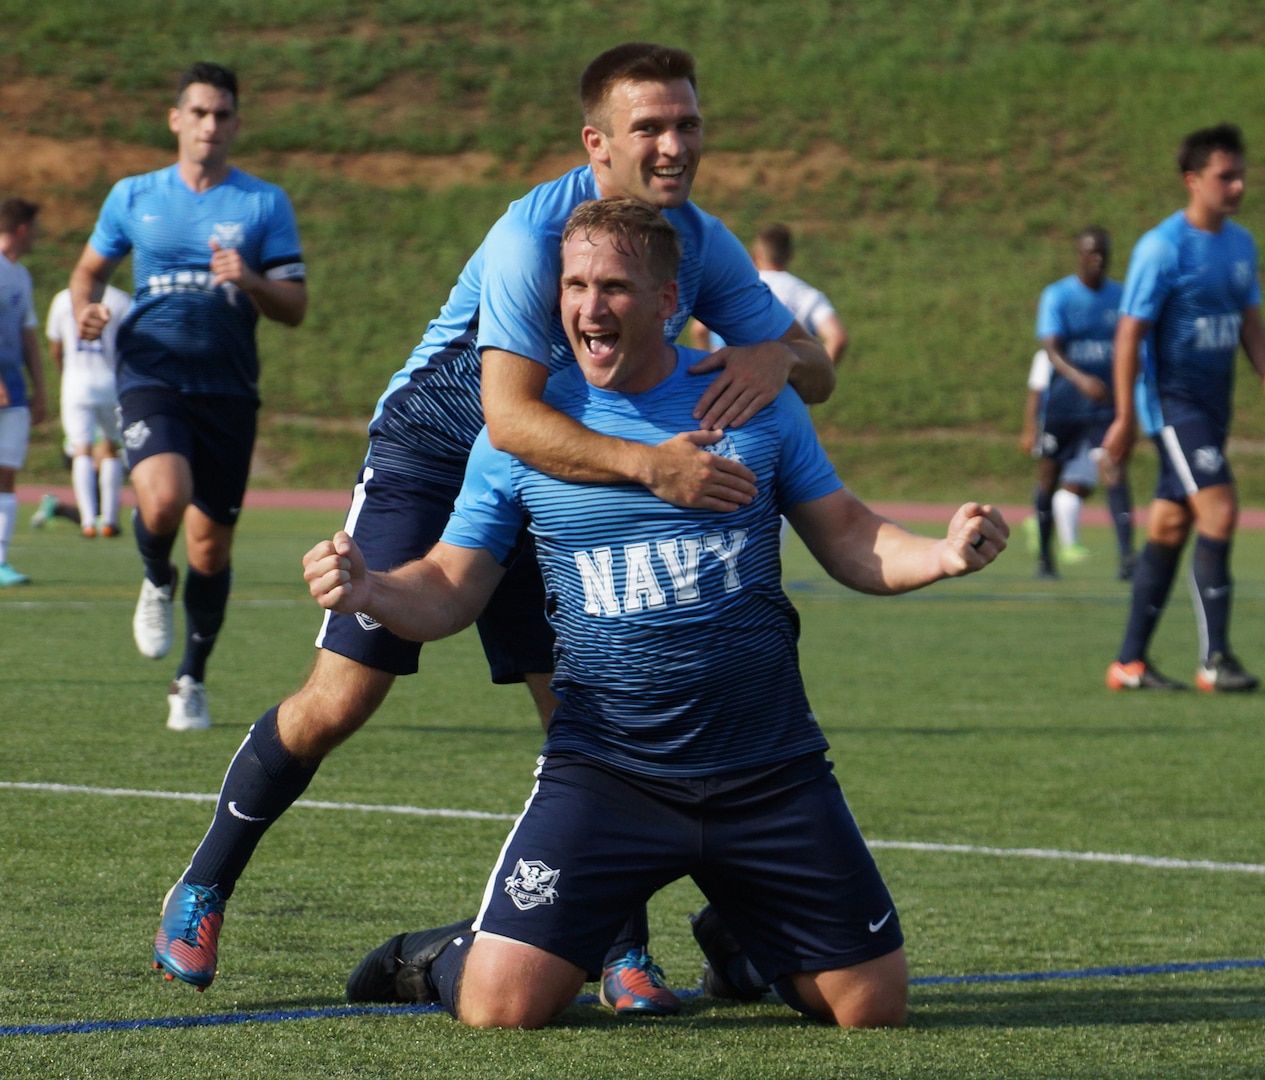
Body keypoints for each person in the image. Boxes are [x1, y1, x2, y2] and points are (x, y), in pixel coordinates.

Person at [150, 43, 834, 1014]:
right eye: (652, 128)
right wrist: (653, 465)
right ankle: (206, 881)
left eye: (688, 124)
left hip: (563, 474)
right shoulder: (532, 236)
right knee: (341, 699)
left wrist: (776, 355)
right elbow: (510, 419)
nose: (676, 145)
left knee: (586, 704)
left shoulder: (695, 240)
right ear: (597, 144)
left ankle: (623, 955)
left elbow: (817, 371)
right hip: (439, 458)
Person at [317, 197, 1007, 1030]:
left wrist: (941, 553)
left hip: (768, 768)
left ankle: (747, 932)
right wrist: (371, 590)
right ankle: (432, 957)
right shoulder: (527, 435)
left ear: (667, 301)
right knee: (501, 1009)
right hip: (610, 773)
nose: (588, 307)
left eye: (612, 286)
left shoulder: (748, 402)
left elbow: (850, 534)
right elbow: (451, 586)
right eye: (574, 285)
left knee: (871, 1008)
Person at [68, 62, 308, 729]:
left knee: (211, 549)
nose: (210, 124)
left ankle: (190, 680)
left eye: (222, 113)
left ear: (235, 123)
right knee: (165, 497)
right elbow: (88, 274)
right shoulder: (134, 195)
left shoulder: (263, 204)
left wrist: (253, 280)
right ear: (176, 119)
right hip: (152, 370)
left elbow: (295, 307)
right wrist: (87, 310)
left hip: (228, 387)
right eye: (198, 112)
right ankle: (152, 577)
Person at [1103, 123, 1265, 692]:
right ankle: (1216, 661)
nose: (1237, 186)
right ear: (1193, 180)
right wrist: (1125, 414)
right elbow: (1128, 336)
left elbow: (1250, 323)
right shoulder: (1162, 248)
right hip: (1174, 406)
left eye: (1240, 175)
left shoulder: (1241, 244)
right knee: (1221, 511)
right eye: (1224, 176)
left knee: (1168, 526)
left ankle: (1129, 664)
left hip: (1215, 408)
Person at [1028, 228, 1135, 580]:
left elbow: (1131, 346)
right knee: (1049, 476)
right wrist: (1081, 379)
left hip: (1106, 407)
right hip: (1063, 406)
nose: (1098, 260)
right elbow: (1052, 350)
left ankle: (1127, 559)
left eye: (1103, 253)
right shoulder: (1058, 296)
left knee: (1113, 471)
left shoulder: (1120, 297)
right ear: (1079, 255)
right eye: (1091, 253)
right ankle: (1045, 557)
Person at [691, 221, 849, 364]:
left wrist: (708, 366)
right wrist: (819, 380)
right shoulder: (808, 296)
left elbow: (699, 330)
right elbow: (837, 337)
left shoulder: (734, 287)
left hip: (729, 382)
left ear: (756, 255)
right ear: (789, 256)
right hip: (782, 386)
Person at [45, 285, 133, 536]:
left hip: (76, 381)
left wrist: (65, 372)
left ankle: (86, 520)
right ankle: (109, 519)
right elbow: (130, 343)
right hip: (111, 381)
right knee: (110, 448)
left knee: (81, 448)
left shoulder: (62, 298)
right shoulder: (119, 299)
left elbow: (55, 347)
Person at [1018, 349, 1102, 565]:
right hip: (1057, 424)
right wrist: (1030, 428)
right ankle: (1068, 545)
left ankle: (1038, 521)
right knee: (1070, 483)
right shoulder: (1048, 354)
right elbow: (1036, 392)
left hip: (1088, 422)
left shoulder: (1094, 351)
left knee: (1083, 485)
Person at [0, 197, 46, 587]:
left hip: (12, 387)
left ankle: (0, 561)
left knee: (6, 472)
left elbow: (28, 334)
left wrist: (41, 388)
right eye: (36, 228)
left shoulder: (21, 275)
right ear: (22, 229)